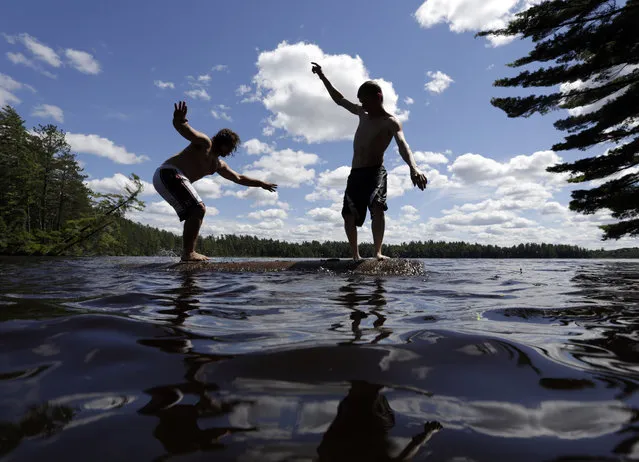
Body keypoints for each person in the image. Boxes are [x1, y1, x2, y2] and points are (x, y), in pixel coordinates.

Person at [311, 63, 428, 260]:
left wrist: (413, 168)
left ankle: (378, 252)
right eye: (360, 102)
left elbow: (403, 144)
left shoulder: (390, 122)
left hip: (375, 172)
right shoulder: (361, 113)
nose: (362, 105)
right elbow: (339, 100)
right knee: (348, 214)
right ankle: (355, 256)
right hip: (356, 173)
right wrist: (322, 77)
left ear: (378, 98)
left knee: (377, 206)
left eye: (365, 101)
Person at [153, 101, 277, 261]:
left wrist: (261, 184)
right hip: (168, 173)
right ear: (223, 144)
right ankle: (188, 253)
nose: (231, 151)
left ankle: (187, 254)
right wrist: (180, 120)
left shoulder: (217, 164)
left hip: (167, 180)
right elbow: (186, 131)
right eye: (231, 147)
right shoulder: (205, 143)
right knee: (198, 208)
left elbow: (238, 178)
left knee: (195, 210)